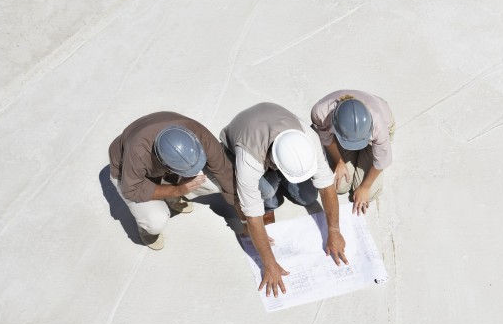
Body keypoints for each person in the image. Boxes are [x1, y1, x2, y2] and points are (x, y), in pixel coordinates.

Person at [220, 102, 347, 297]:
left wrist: (334, 230)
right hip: (240, 143)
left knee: (308, 197)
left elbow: (326, 186)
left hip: (273, 132)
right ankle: (272, 193)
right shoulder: (249, 161)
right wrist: (269, 264)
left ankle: (279, 180)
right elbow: (253, 217)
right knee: (269, 194)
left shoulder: (307, 138)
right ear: (275, 162)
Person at [108, 112, 237, 250]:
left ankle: (169, 193)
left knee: (215, 183)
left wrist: (243, 211)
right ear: (162, 162)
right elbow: (131, 190)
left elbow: (225, 170)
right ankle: (147, 227)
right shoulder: (137, 153)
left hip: (160, 169)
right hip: (131, 177)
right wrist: (177, 190)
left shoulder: (196, 132)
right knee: (156, 221)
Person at [310, 89, 395, 215]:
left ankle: (362, 152)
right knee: (340, 186)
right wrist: (339, 162)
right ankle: (352, 152)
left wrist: (365, 188)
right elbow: (327, 139)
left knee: (368, 194)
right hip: (345, 133)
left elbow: (381, 161)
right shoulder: (320, 113)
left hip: (375, 134)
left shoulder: (379, 125)